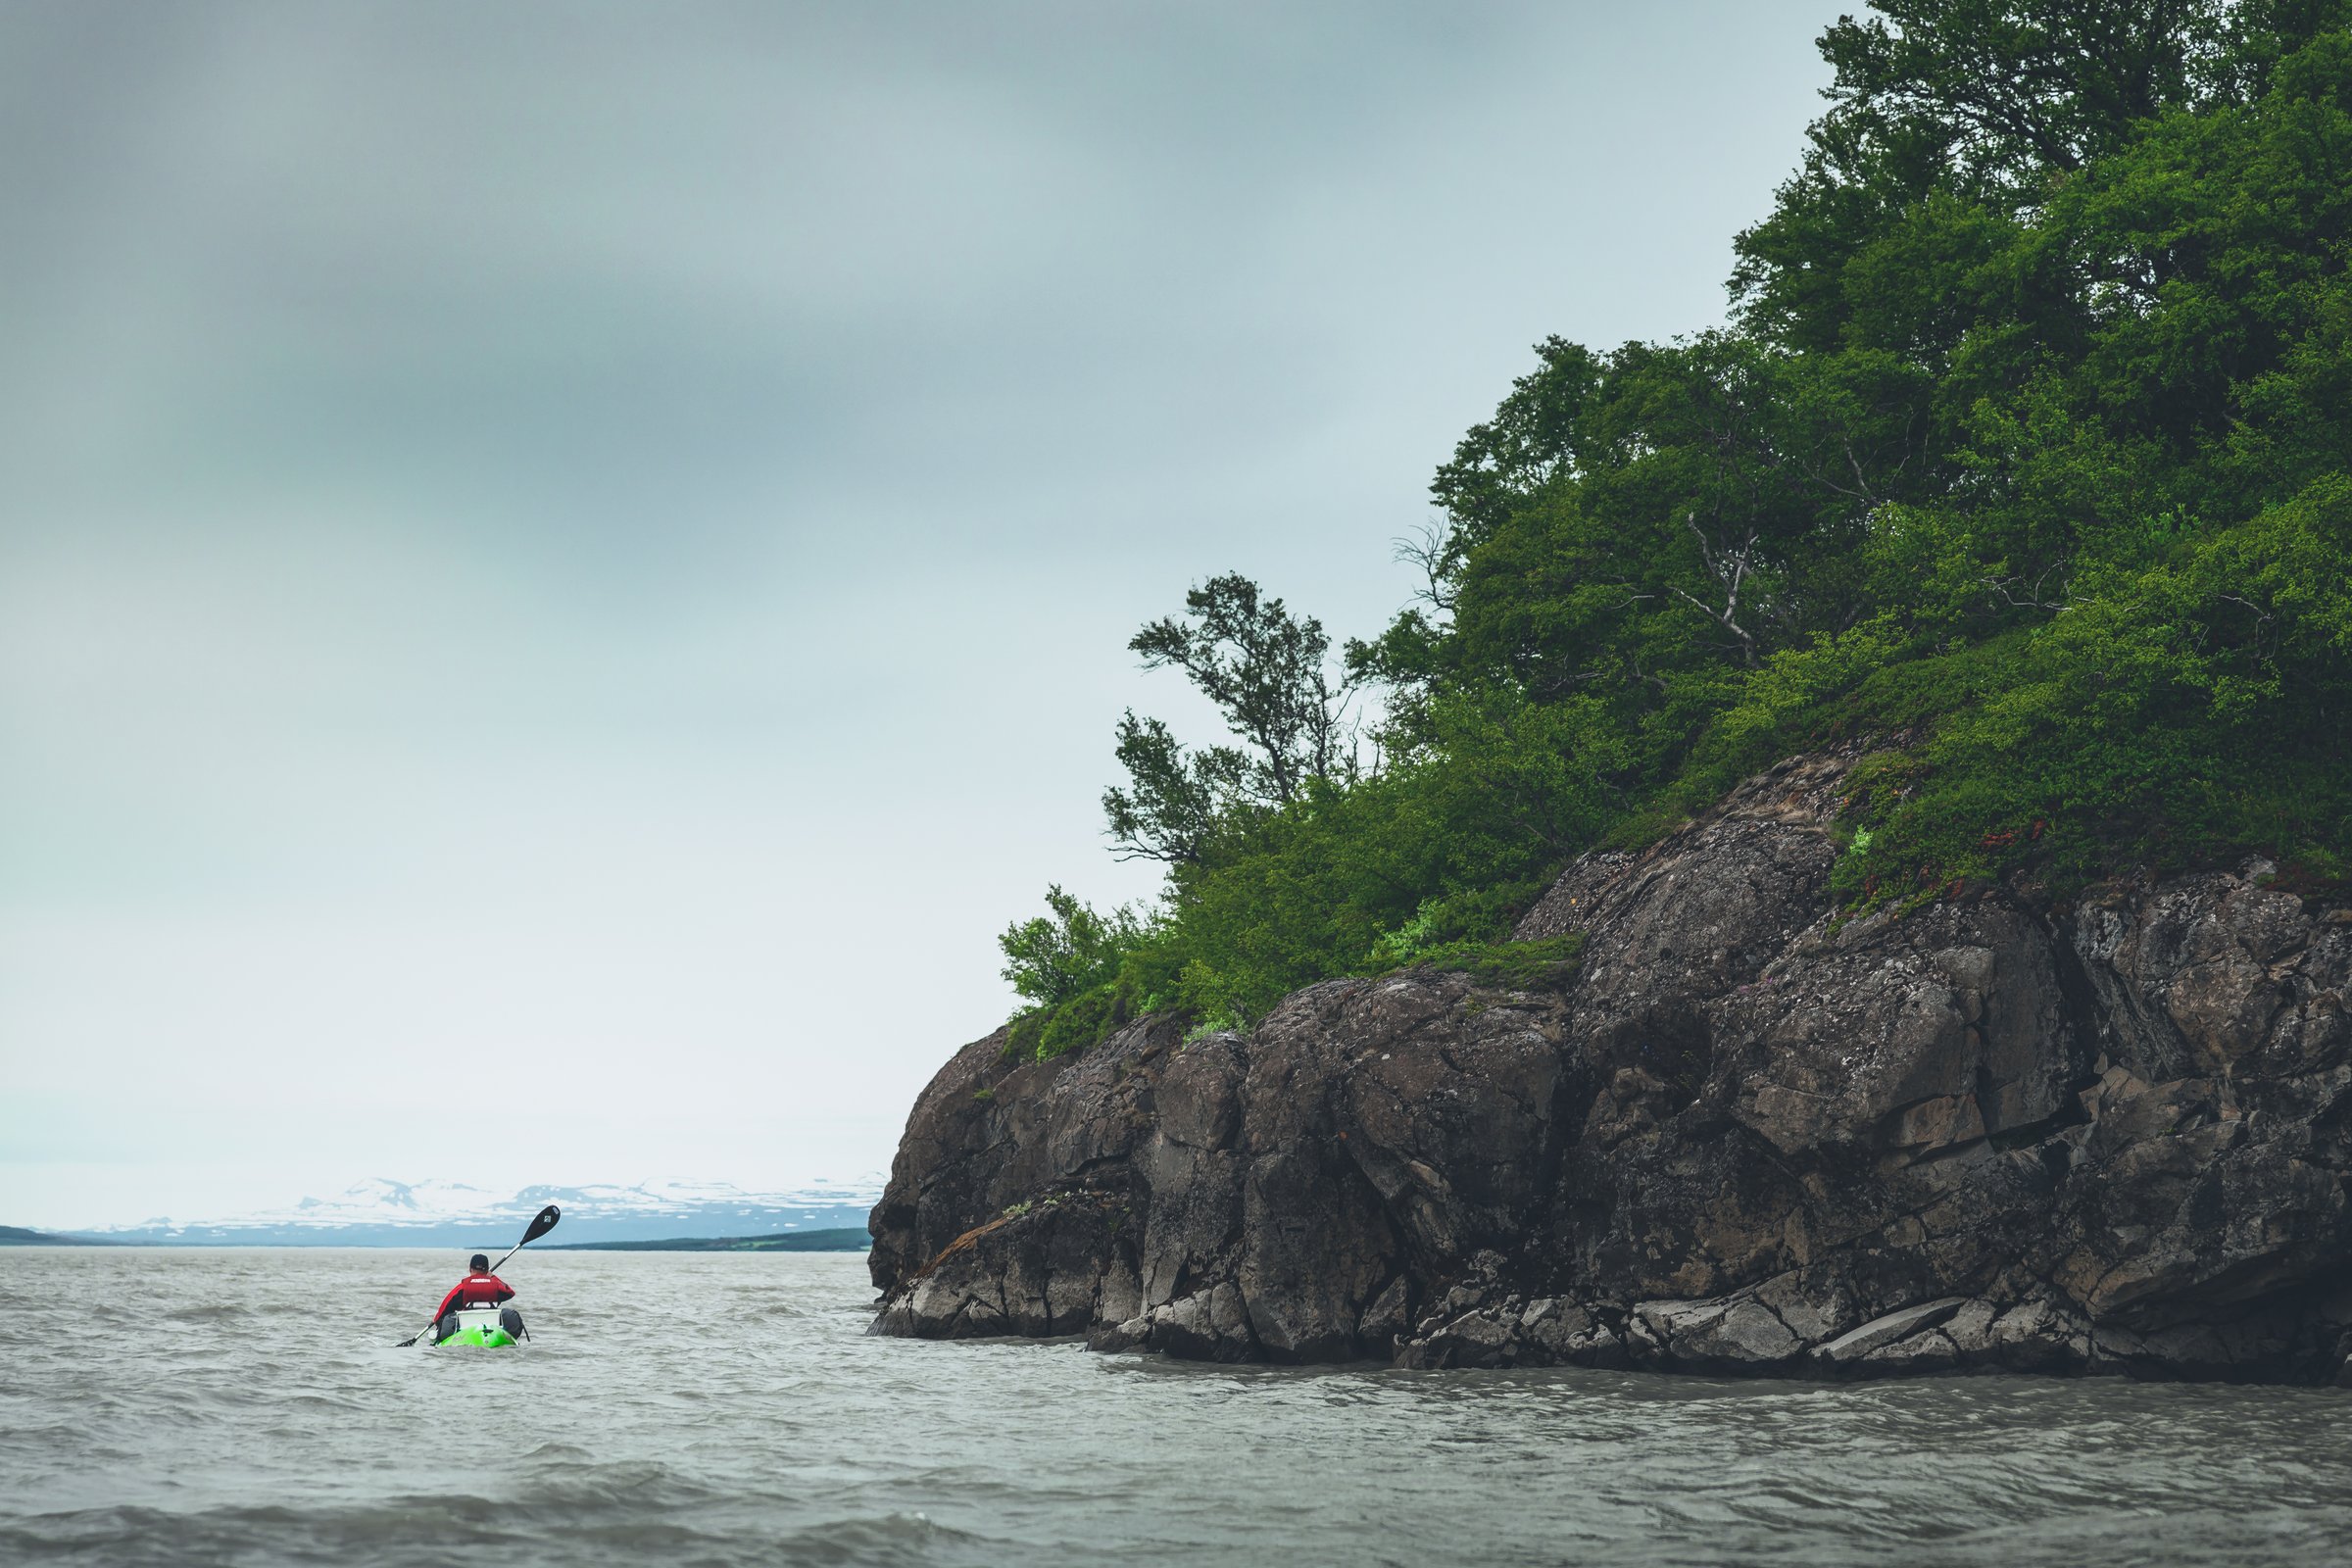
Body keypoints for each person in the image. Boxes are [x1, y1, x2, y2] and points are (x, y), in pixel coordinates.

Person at [429, 1252, 515, 1329]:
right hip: (491, 1326)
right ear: (487, 1270)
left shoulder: (462, 1288)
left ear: (470, 1269)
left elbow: (446, 1307)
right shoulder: (496, 1286)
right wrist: (492, 1277)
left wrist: (437, 1320)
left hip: (466, 1327)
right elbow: (510, 1292)